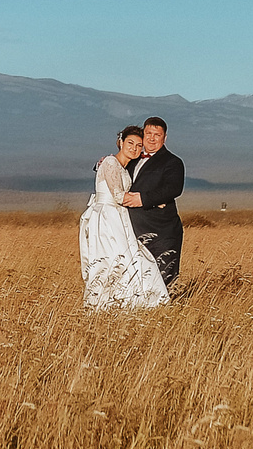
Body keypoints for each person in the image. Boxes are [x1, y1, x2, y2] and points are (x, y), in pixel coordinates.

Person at [79, 126, 169, 309]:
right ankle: (105, 304)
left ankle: (126, 303)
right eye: (130, 143)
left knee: (128, 259)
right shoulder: (111, 162)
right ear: (120, 142)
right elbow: (118, 196)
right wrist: (150, 200)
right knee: (112, 260)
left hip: (119, 216)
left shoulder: (123, 167)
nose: (134, 148)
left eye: (138, 145)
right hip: (106, 217)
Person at [119, 116, 185, 289]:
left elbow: (174, 188)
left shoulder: (173, 162)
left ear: (165, 138)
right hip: (132, 230)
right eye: (148, 133)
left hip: (162, 232)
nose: (152, 138)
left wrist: (143, 199)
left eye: (157, 134)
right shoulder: (132, 159)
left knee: (164, 279)